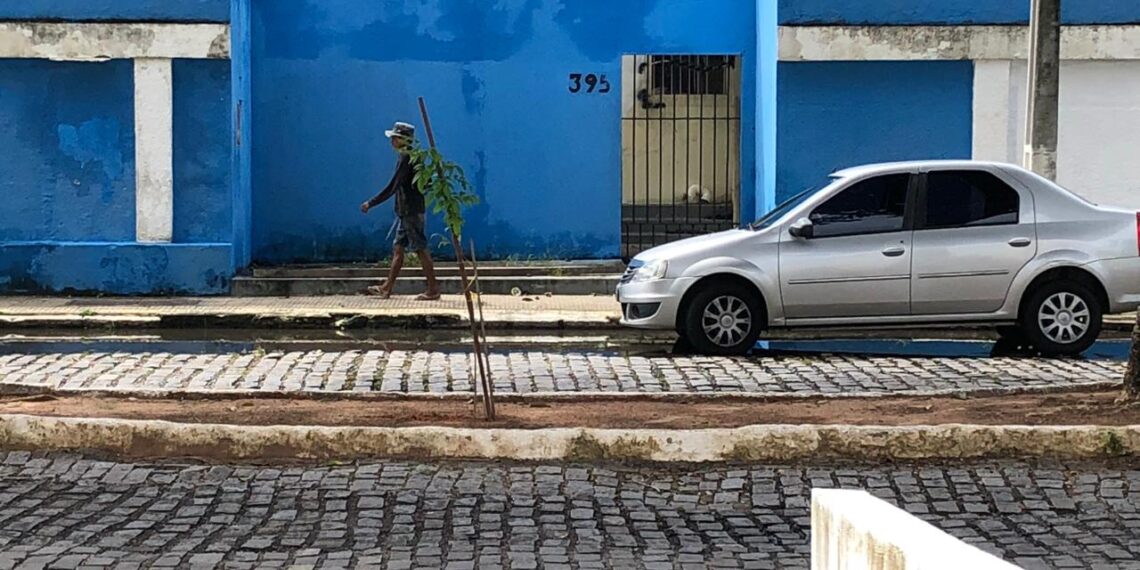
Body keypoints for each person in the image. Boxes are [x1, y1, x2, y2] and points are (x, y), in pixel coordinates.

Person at [360, 121, 441, 300]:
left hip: (411, 211)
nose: (392, 142)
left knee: (420, 248)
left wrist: (371, 203)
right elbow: (425, 183)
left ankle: (433, 289)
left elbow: (393, 186)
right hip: (407, 211)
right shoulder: (414, 156)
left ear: (404, 140)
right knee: (398, 249)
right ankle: (387, 287)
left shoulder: (407, 157)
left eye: (395, 138)